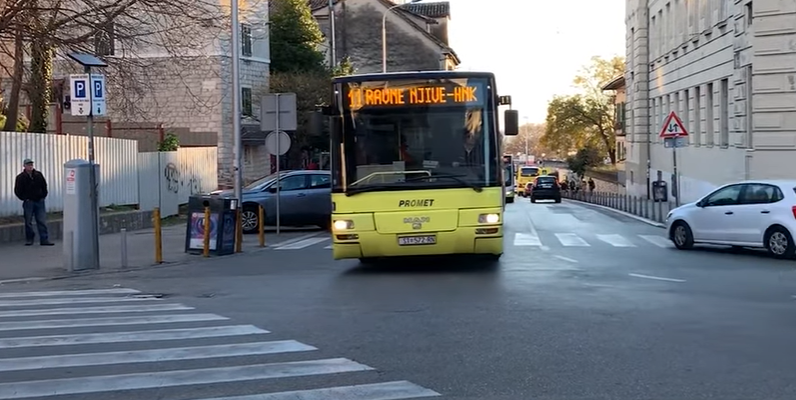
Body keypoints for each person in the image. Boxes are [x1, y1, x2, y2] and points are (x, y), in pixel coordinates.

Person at [13, 159, 54, 246]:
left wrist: (43, 196)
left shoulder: (38, 175)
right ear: (24, 166)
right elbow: (17, 190)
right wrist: (25, 198)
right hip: (29, 202)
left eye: (31, 164)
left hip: (39, 201)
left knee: (42, 220)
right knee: (28, 221)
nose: (30, 166)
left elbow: (44, 186)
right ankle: (29, 239)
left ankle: (44, 239)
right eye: (28, 165)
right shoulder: (20, 177)